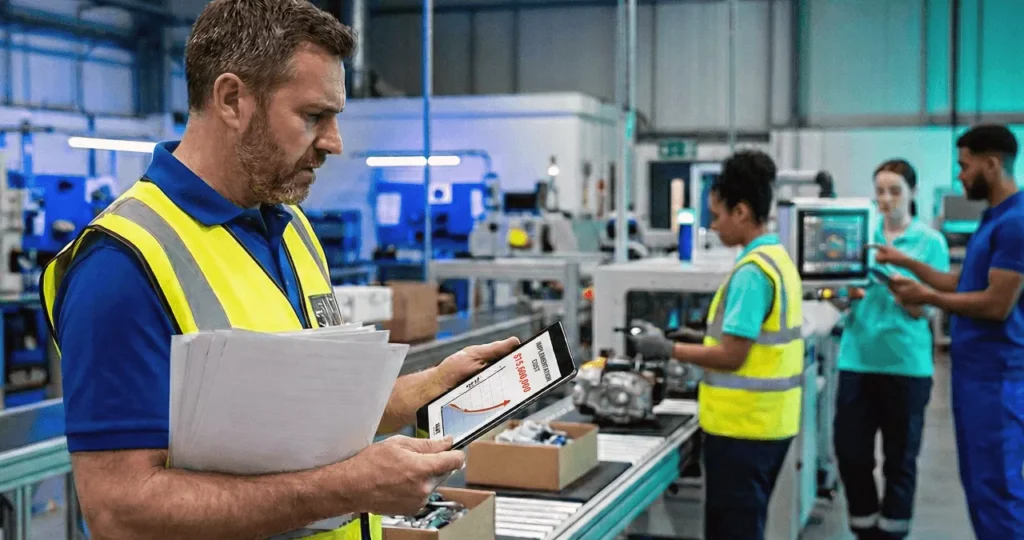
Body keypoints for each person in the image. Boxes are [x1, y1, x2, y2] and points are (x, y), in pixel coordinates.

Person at [38, 2, 520, 539]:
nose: (334, 142)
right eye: (314, 116)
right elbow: (119, 511)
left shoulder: (289, 227)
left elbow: (302, 417)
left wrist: (427, 388)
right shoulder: (121, 265)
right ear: (231, 99)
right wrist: (348, 487)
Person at [629, 150, 804, 540]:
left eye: (717, 214)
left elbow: (732, 356)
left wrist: (666, 349)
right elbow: (748, 341)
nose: (713, 223)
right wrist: (696, 339)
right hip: (769, 424)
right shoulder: (777, 259)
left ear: (741, 212)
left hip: (744, 431)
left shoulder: (752, 273)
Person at [877, 124, 1024, 539]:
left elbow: (997, 304)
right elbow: (964, 282)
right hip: (974, 375)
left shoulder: (1015, 224)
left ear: (992, 164)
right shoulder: (994, 219)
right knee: (980, 486)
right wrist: (906, 264)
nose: (960, 176)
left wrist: (925, 297)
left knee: (998, 489)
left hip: (996, 380)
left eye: (965, 166)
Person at [834, 159, 948, 540]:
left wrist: (906, 291)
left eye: (895, 190)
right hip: (857, 359)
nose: (886, 199)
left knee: (900, 461)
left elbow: (925, 309)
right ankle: (864, 528)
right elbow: (840, 300)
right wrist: (844, 296)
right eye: (880, 190)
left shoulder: (930, 243)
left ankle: (893, 531)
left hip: (906, 367)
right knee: (851, 456)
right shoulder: (861, 234)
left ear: (913, 192)